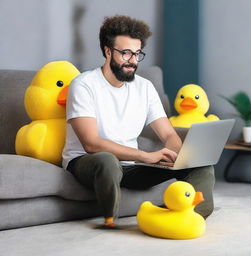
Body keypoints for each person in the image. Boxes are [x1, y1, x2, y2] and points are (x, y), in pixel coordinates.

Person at [62, 15, 215, 228]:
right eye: (125, 53)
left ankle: (193, 218)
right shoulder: (84, 84)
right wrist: (146, 156)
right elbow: (91, 143)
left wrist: (177, 156)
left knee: (200, 164)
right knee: (107, 161)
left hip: (130, 166)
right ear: (108, 51)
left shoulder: (144, 87)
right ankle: (110, 221)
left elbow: (168, 134)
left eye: (137, 53)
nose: (133, 60)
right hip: (88, 161)